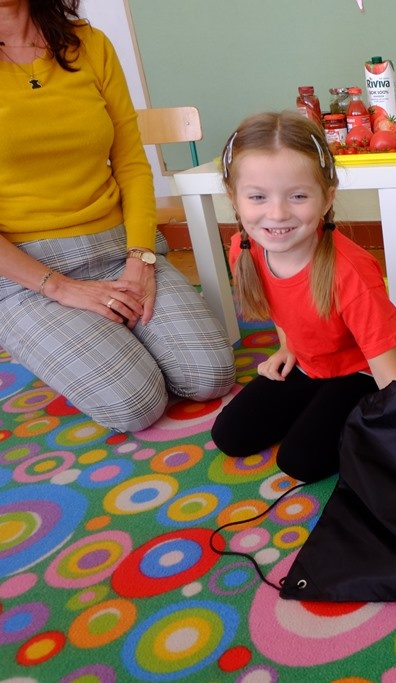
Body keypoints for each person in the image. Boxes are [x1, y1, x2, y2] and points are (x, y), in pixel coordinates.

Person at [0, 0, 235, 432]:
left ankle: (109, 334)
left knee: (211, 376)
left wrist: (140, 258)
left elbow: (130, 163)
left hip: (118, 249)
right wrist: (61, 288)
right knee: (135, 404)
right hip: (26, 276)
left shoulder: (89, 44)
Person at [210, 111, 396, 483]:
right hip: (308, 365)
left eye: (298, 196)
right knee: (230, 435)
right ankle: (321, 406)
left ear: (326, 197)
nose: (277, 214)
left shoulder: (350, 272)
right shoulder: (244, 248)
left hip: (362, 371)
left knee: (301, 461)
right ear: (233, 198)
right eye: (258, 196)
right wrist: (287, 346)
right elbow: (284, 309)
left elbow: (388, 371)